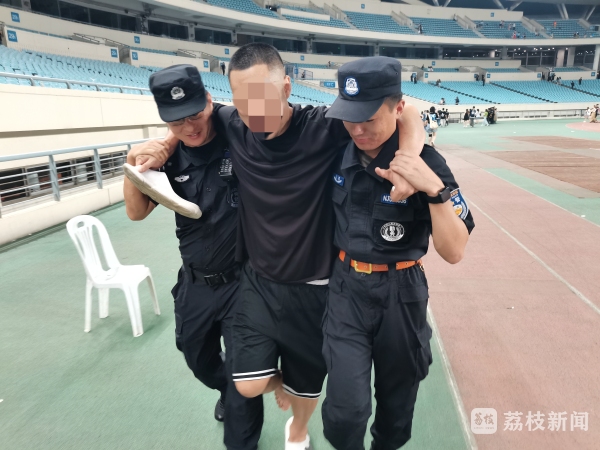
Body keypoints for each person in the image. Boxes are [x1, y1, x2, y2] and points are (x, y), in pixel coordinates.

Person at [132, 47, 426, 450]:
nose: (254, 112)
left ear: (287, 87)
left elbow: (406, 112)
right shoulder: (232, 122)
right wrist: (165, 144)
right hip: (259, 281)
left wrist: (408, 160)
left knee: (309, 387)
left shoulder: (323, 126)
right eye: (243, 102)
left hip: (317, 285)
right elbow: (190, 122)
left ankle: (298, 428)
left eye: (263, 98)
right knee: (248, 384)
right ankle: (277, 381)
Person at [322, 59, 474, 450]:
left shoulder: (429, 163)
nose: (357, 129)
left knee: (396, 410)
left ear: (397, 108)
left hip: (401, 294)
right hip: (346, 291)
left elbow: (454, 251)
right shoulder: (337, 145)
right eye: (349, 117)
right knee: (344, 413)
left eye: (369, 118)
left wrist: (434, 191)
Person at [123, 65, 264, 450]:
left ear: (210, 101)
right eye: (176, 122)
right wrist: (133, 160)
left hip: (242, 283)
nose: (189, 127)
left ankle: (241, 430)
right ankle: (226, 389)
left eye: (195, 115)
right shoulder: (166, 159)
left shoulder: (240, 137)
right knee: (196, 357)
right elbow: (136, 212)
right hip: (195, 283)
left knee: (243, 374)